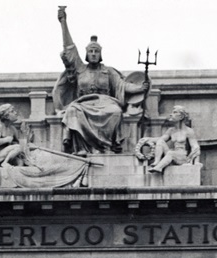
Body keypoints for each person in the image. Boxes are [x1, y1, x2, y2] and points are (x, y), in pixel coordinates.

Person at [53, 8, 147, 155]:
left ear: (100, 54)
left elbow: (122, 85)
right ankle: (81, 148)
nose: (94, 54)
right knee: (72, 110)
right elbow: (70, 49)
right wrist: (63, 22)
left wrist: (140, 88)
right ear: (86, 54)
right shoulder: (80, 69)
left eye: (96, 51)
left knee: (116, 112)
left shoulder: (108, 71)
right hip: (83, 103)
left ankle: (107, 146)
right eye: (91, 51)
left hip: (106, 102)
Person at [148, 106, 200, 174]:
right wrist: (148, 139)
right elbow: (160, 139)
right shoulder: (171, 130)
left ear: (181, 117)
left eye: (174, 112)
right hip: (172, 154)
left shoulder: (189, 131)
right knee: (160, 142)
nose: (171, 114)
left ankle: (159, 167)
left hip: (182, 157)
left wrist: (195, 161)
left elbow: (195, 147)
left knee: (170, 153)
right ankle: (157, 162)